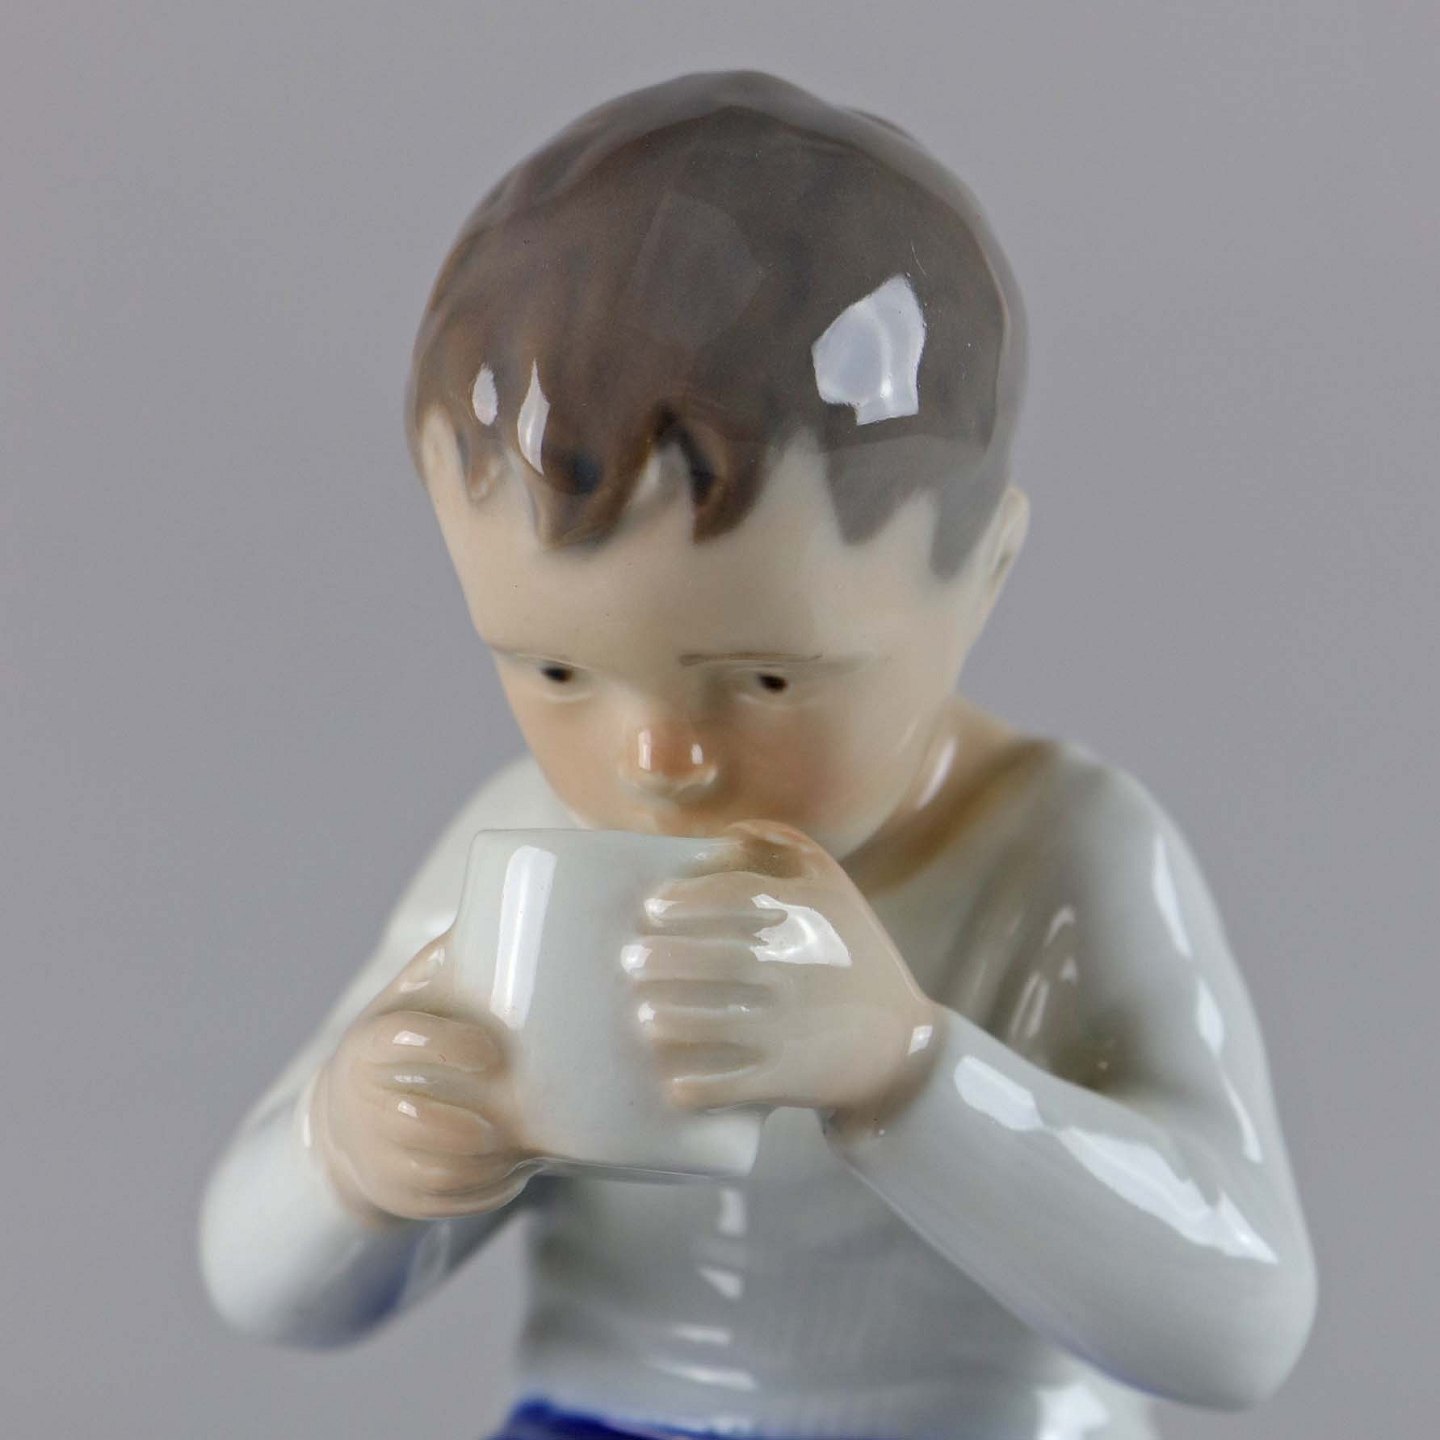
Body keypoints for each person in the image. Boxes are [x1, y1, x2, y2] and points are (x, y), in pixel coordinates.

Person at [199, 71, 1317, 1440]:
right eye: (554, 670)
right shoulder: (521, 848)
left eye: (769, 679)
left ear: (984, 574)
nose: (658, 755)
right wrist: (358, 1155)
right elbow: (260, 1284)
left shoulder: (1061, 851)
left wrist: (906, 1068)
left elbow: (1242, 1326)